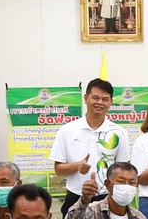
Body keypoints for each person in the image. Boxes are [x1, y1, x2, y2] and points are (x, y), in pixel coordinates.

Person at [50, 78, 126, 208]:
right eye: (95, 98)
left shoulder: (119, 132)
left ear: (111, 102)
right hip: (75, 197)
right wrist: (77, 166)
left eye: (105, 99)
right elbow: (58, 169)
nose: (100, 102)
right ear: (86, 98)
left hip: (107, 198)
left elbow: (122, 169)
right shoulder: (67, 130)